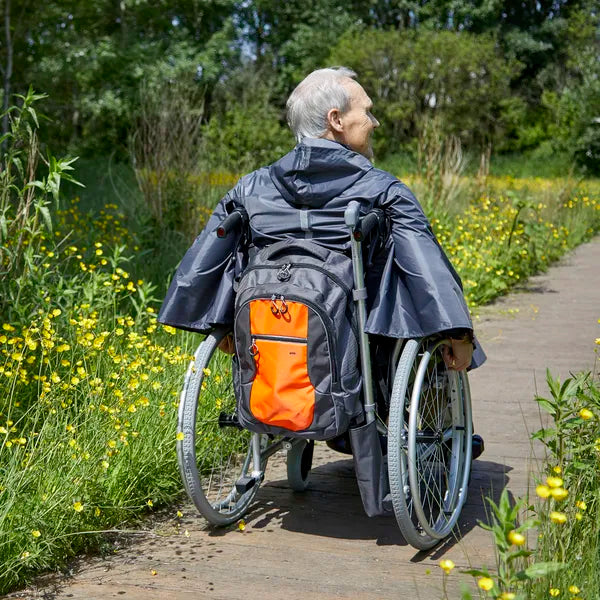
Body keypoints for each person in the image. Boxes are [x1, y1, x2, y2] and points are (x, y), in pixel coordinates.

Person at [158, 67, 485, 453]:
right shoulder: (384, 191)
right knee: (416, 315)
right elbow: (427, 269)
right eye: (367, 112)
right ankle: (431, 434)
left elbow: (207, 262)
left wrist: (224, 322)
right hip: (367, 348)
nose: (374, 122)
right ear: (336, 120)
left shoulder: (250, 189)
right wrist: (459, 334)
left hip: (275, 336)